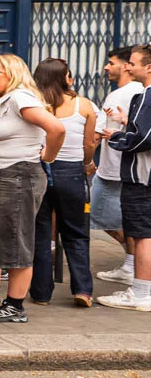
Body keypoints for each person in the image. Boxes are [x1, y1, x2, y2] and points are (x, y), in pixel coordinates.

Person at [0, 53, 65, 323]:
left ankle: (15, 306)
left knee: (15, 243)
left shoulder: (21, 97)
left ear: (13, 73)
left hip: (19, 176)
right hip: (1, 176)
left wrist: (48, 156)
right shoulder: (8, 101)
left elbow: (55, 128)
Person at [30, 57, 97, 306]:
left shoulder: (35, 105)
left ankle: (41, 292)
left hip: (40, 169)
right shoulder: (84, 105)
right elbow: (89, 143)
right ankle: (82, 290)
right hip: (72, 172)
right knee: (76, 233)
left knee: (41, 232)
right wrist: (87, 163)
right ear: (65, 77)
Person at [100, 44, 151, 311]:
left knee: (142, 234)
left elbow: (145, 138)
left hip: (141, 177)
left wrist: (116, 136)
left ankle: (141, 293)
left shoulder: (147, 96)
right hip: (145, 175)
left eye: (133, 63)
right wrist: (125, 122)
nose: (128, 67)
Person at [94, 46, 143, 286]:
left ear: (125, 66)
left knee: (102, 217)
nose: (106, 67)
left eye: (111, 62)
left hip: (115, 169)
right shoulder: (139, 92)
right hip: (122, 168)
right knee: (129, 220)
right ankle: (133, 264)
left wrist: (86, 161)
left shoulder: (122, 94)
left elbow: (99, 132)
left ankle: (135, 264)